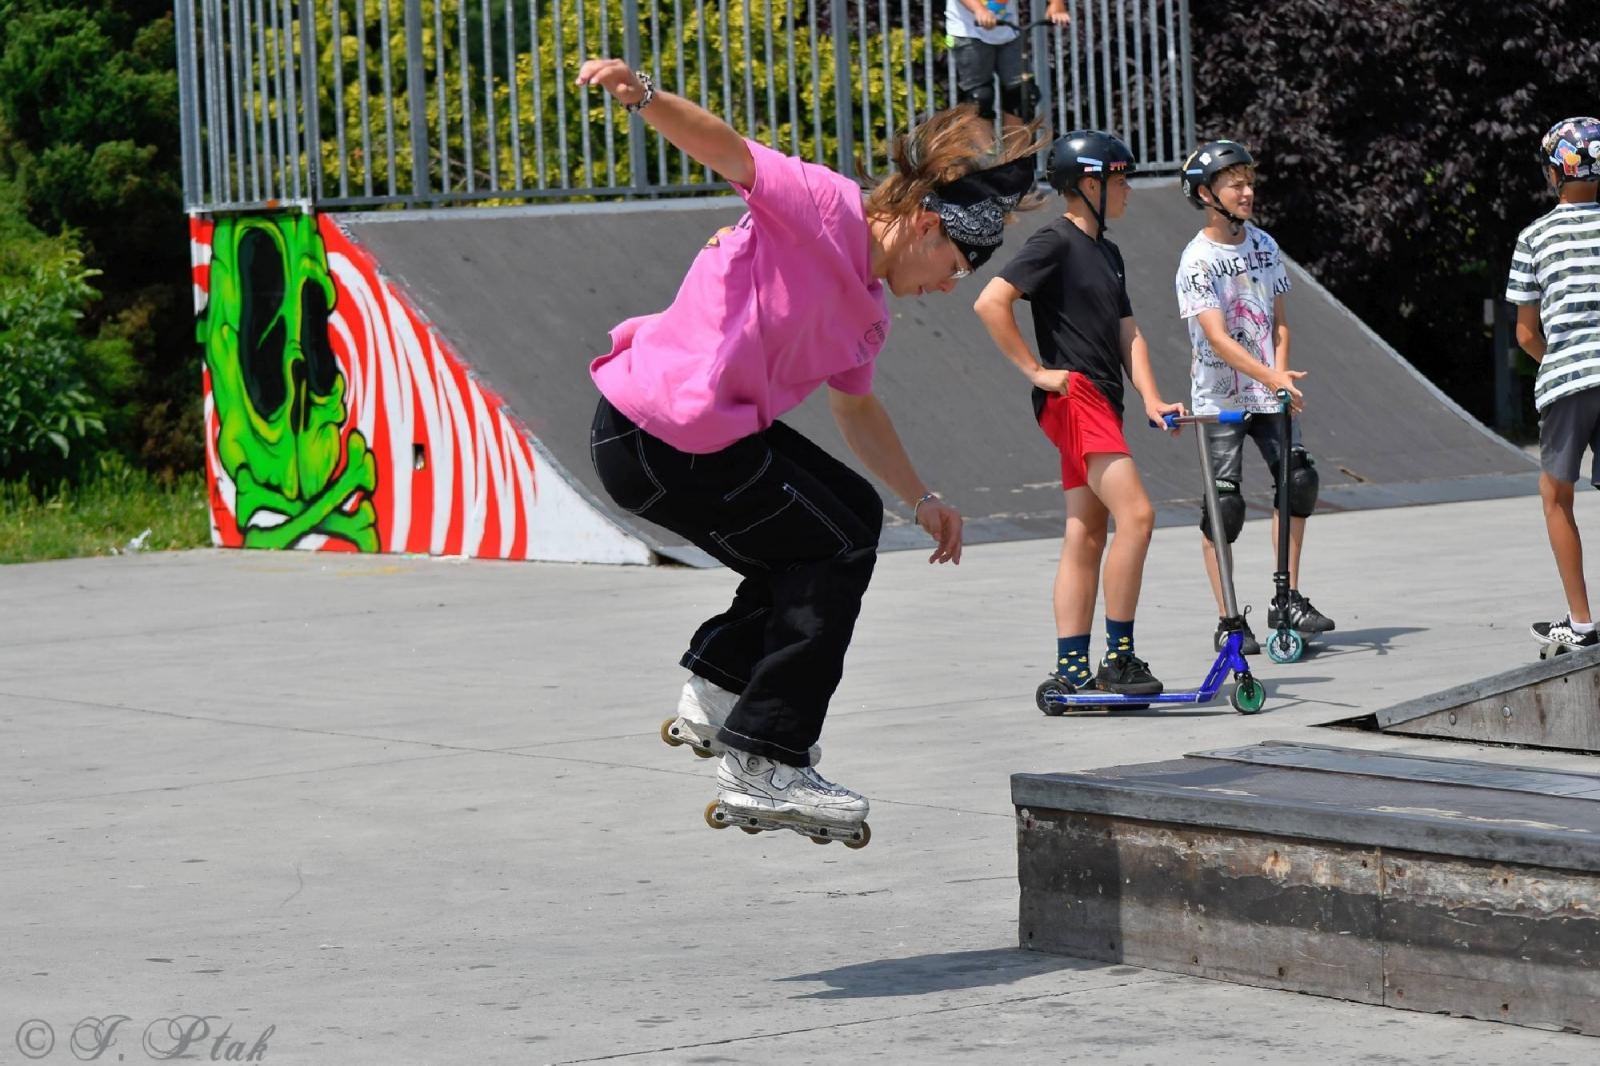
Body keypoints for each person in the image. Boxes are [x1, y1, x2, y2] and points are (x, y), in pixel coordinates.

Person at [579, 57, 1047, 841]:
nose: (948, 288)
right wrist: (645, 97)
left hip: (693, 448)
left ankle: (722, 689)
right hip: (657, 436)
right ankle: (768, 756)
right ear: (929, 226)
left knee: (846, 517)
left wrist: (922, 498)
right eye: (955, 269)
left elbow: (855, 409)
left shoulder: (868, 315)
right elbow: (727, 148)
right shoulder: (821, 206)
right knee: (830, 544)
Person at [973, 130, 1184, 697]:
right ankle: (1119, 657)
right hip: (1075, 397)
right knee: (1137, 516)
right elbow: (991, 301)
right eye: (1119, 181)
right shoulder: (1055, 242)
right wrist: (1037, 372)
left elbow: (1128, 333)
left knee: (1086, 533)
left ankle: (1071, 670)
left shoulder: (1107, 253)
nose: (1127, 192)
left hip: (1103, 400)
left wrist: (1152, 397)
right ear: (1088, 184)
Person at [1174, 138, 1335, 655]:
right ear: (1206, 194)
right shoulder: (1196, 259)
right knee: (1226, 506)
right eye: (1235, 184)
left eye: (1250, 183)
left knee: (1300, 478)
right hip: (1219, 396)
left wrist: (1280, 375)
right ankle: (1228, 619)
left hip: (1269, 390)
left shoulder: (1263, 244)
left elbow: (1280, 322)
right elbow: (1218, 337)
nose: (1247, 192)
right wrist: (1272, 377)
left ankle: (1285, 597)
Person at [1507, 116, 1600, 652]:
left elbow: (1525, 334)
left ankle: (1582, 622)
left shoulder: (1534, 236)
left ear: (1552, 173)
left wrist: (1557, 360)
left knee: (1557, 496)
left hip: (1567, 381)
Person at [946, 0, 1069, 132]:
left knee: (1023, 94)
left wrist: (1057, 6)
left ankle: (1015, 152)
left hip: (1008, 31)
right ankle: (985, 151)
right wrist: (979, 10)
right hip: (969, 31)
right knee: (980, 98)